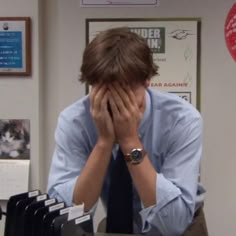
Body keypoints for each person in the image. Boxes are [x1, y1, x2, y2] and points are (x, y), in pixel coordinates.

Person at [47, 27, 207, 235]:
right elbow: (64, 214)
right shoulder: (74, 121)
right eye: (104, 90)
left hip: (182, 226)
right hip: (118, 224)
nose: (115, 103)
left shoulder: (181, 120)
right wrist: (104, 143)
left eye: (125, 91)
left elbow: (173, 222)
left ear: (147, 80)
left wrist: (130, 141)